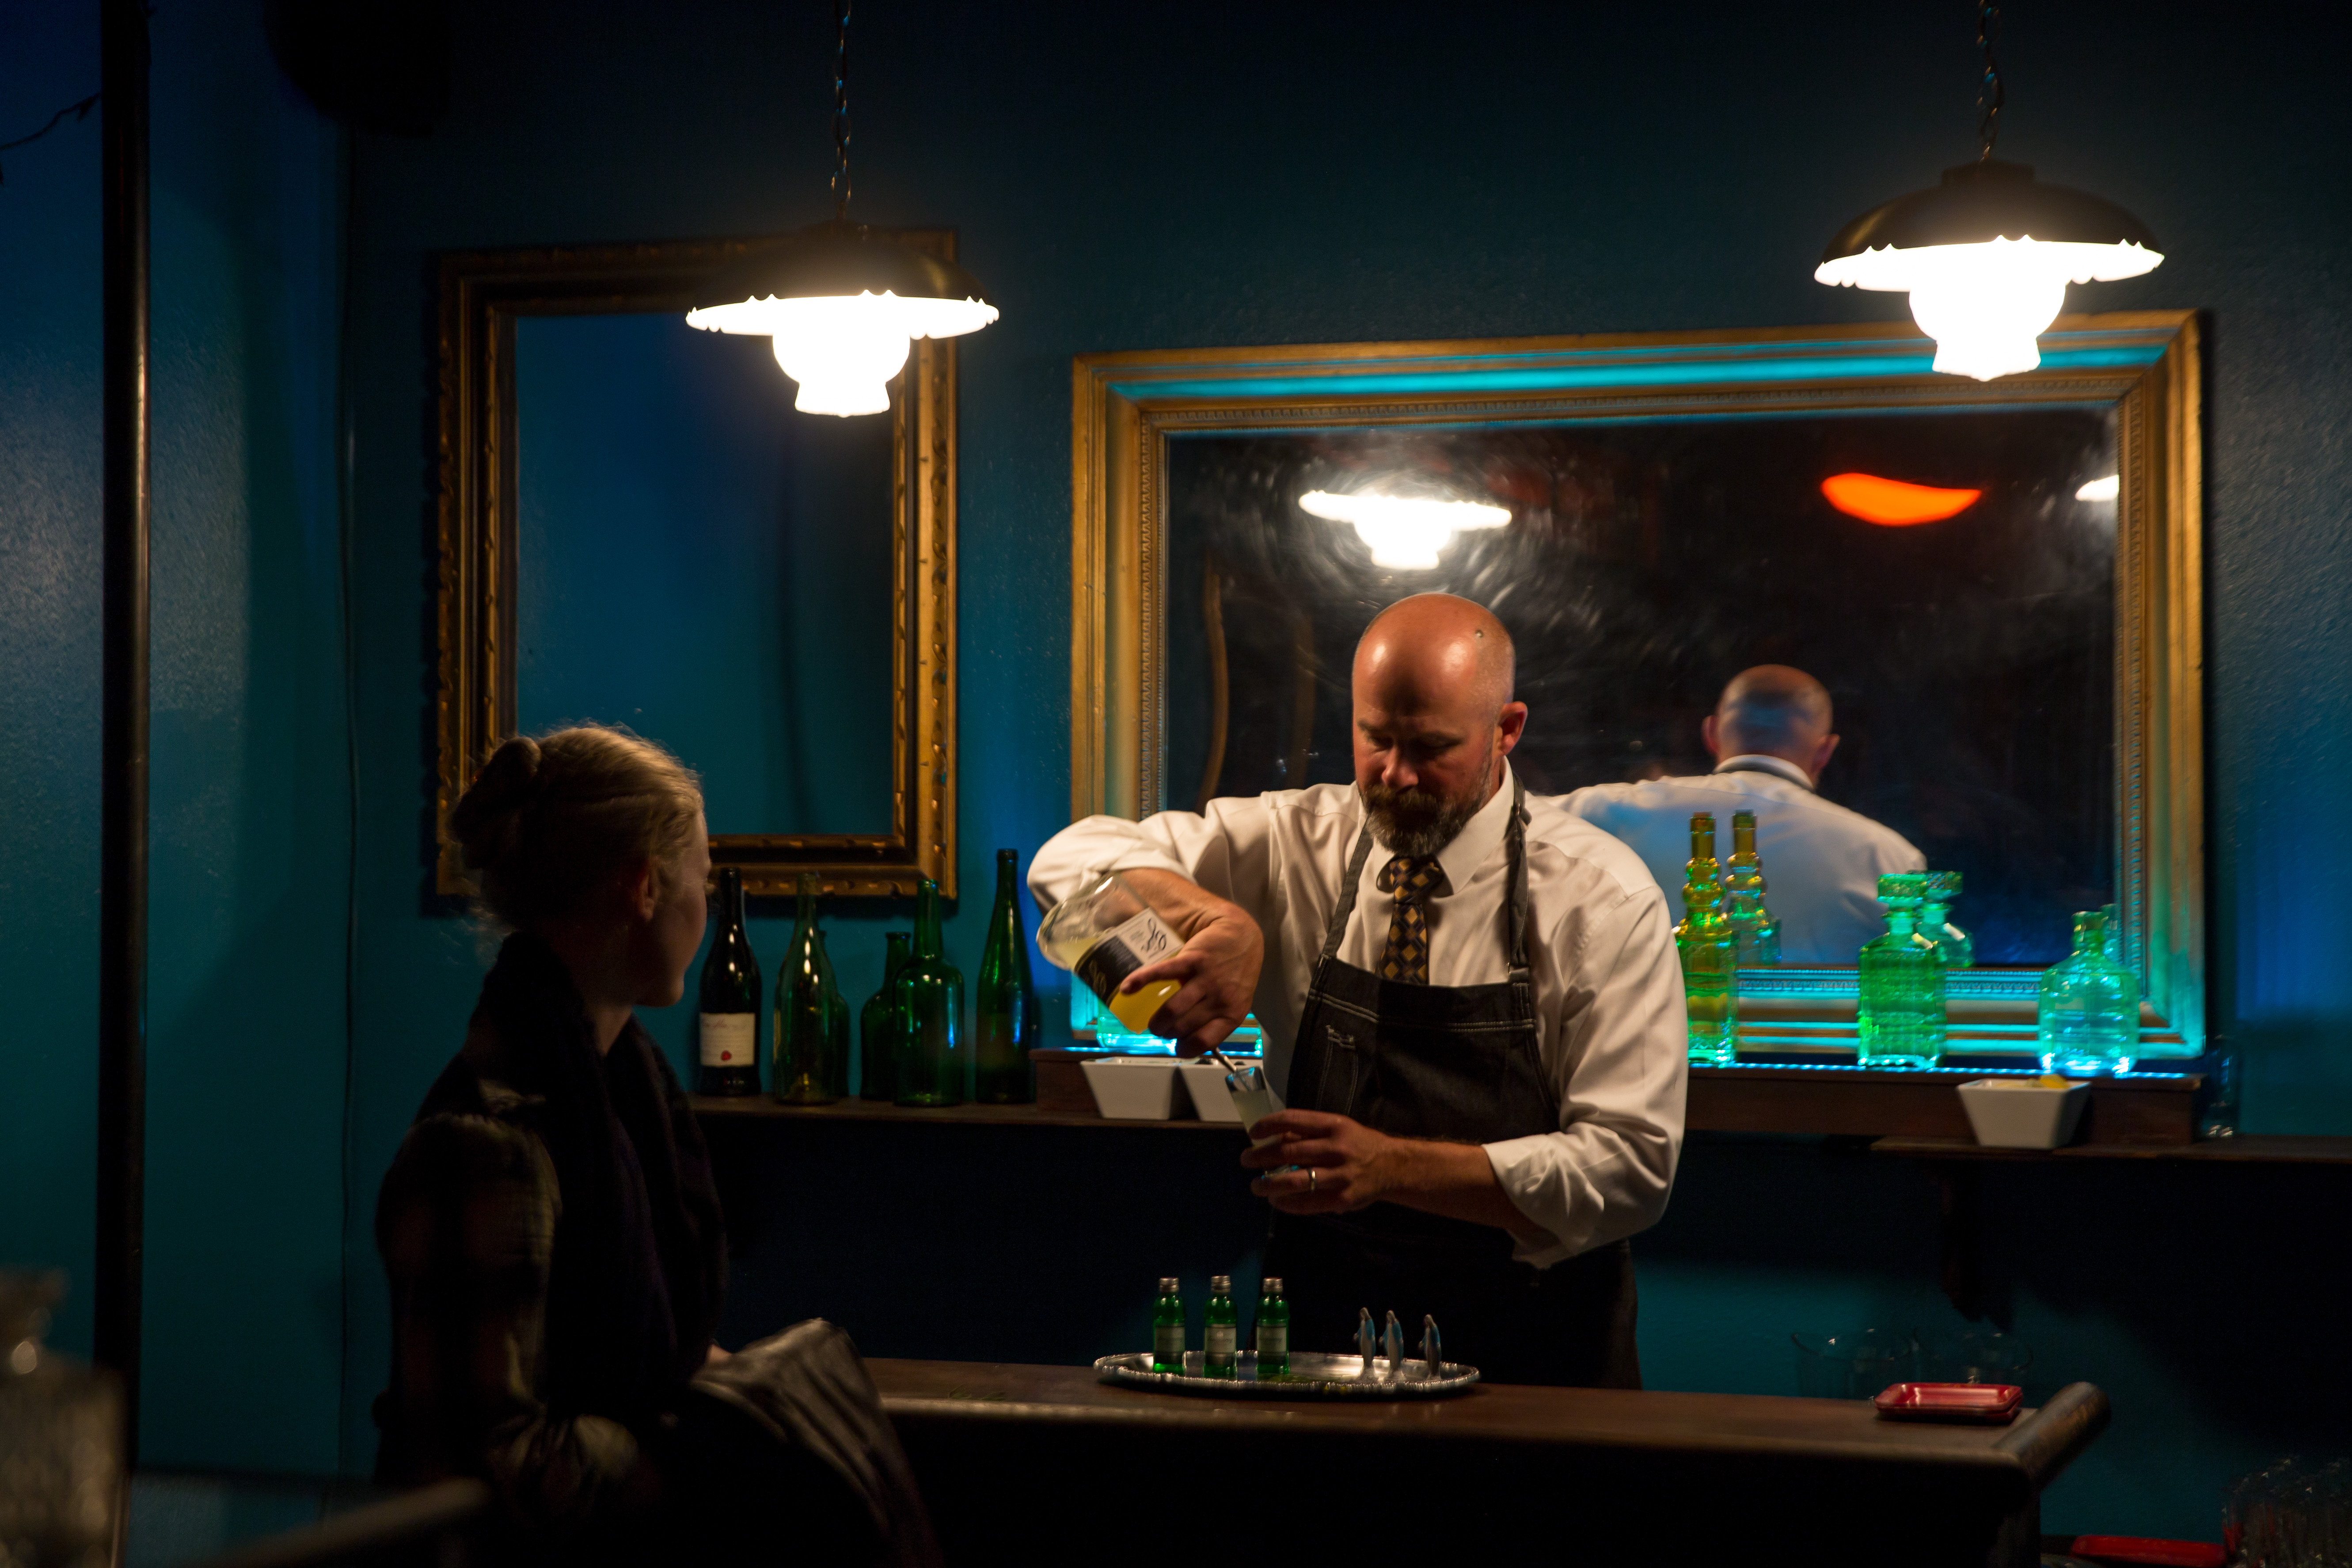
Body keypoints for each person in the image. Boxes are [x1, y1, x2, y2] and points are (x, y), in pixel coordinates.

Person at [1029, 594, 1686, 1388]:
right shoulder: (1294, 840)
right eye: (1375, 737)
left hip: (1538, 1344)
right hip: (1321, 1334)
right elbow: (1065, 861)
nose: (1394, 774)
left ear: (1506, 729)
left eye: (1431, 747)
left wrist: (1391, 1167)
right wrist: (1210, 916)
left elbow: (1628, 1169)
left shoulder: (1601, 897)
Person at [374, 725, 935, 1566]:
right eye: (701, 878)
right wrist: (717, 1445)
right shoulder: (491, 1142)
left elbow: (656, 1356)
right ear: (644, 885)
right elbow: (503, 1468)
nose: (703, 909)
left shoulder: (621, 1101)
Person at [1559, 665, 1925, 963]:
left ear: (1711, 734)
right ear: (1825, 751)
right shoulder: (1889, 857)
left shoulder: (1600, 813)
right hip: (1820, 1051)